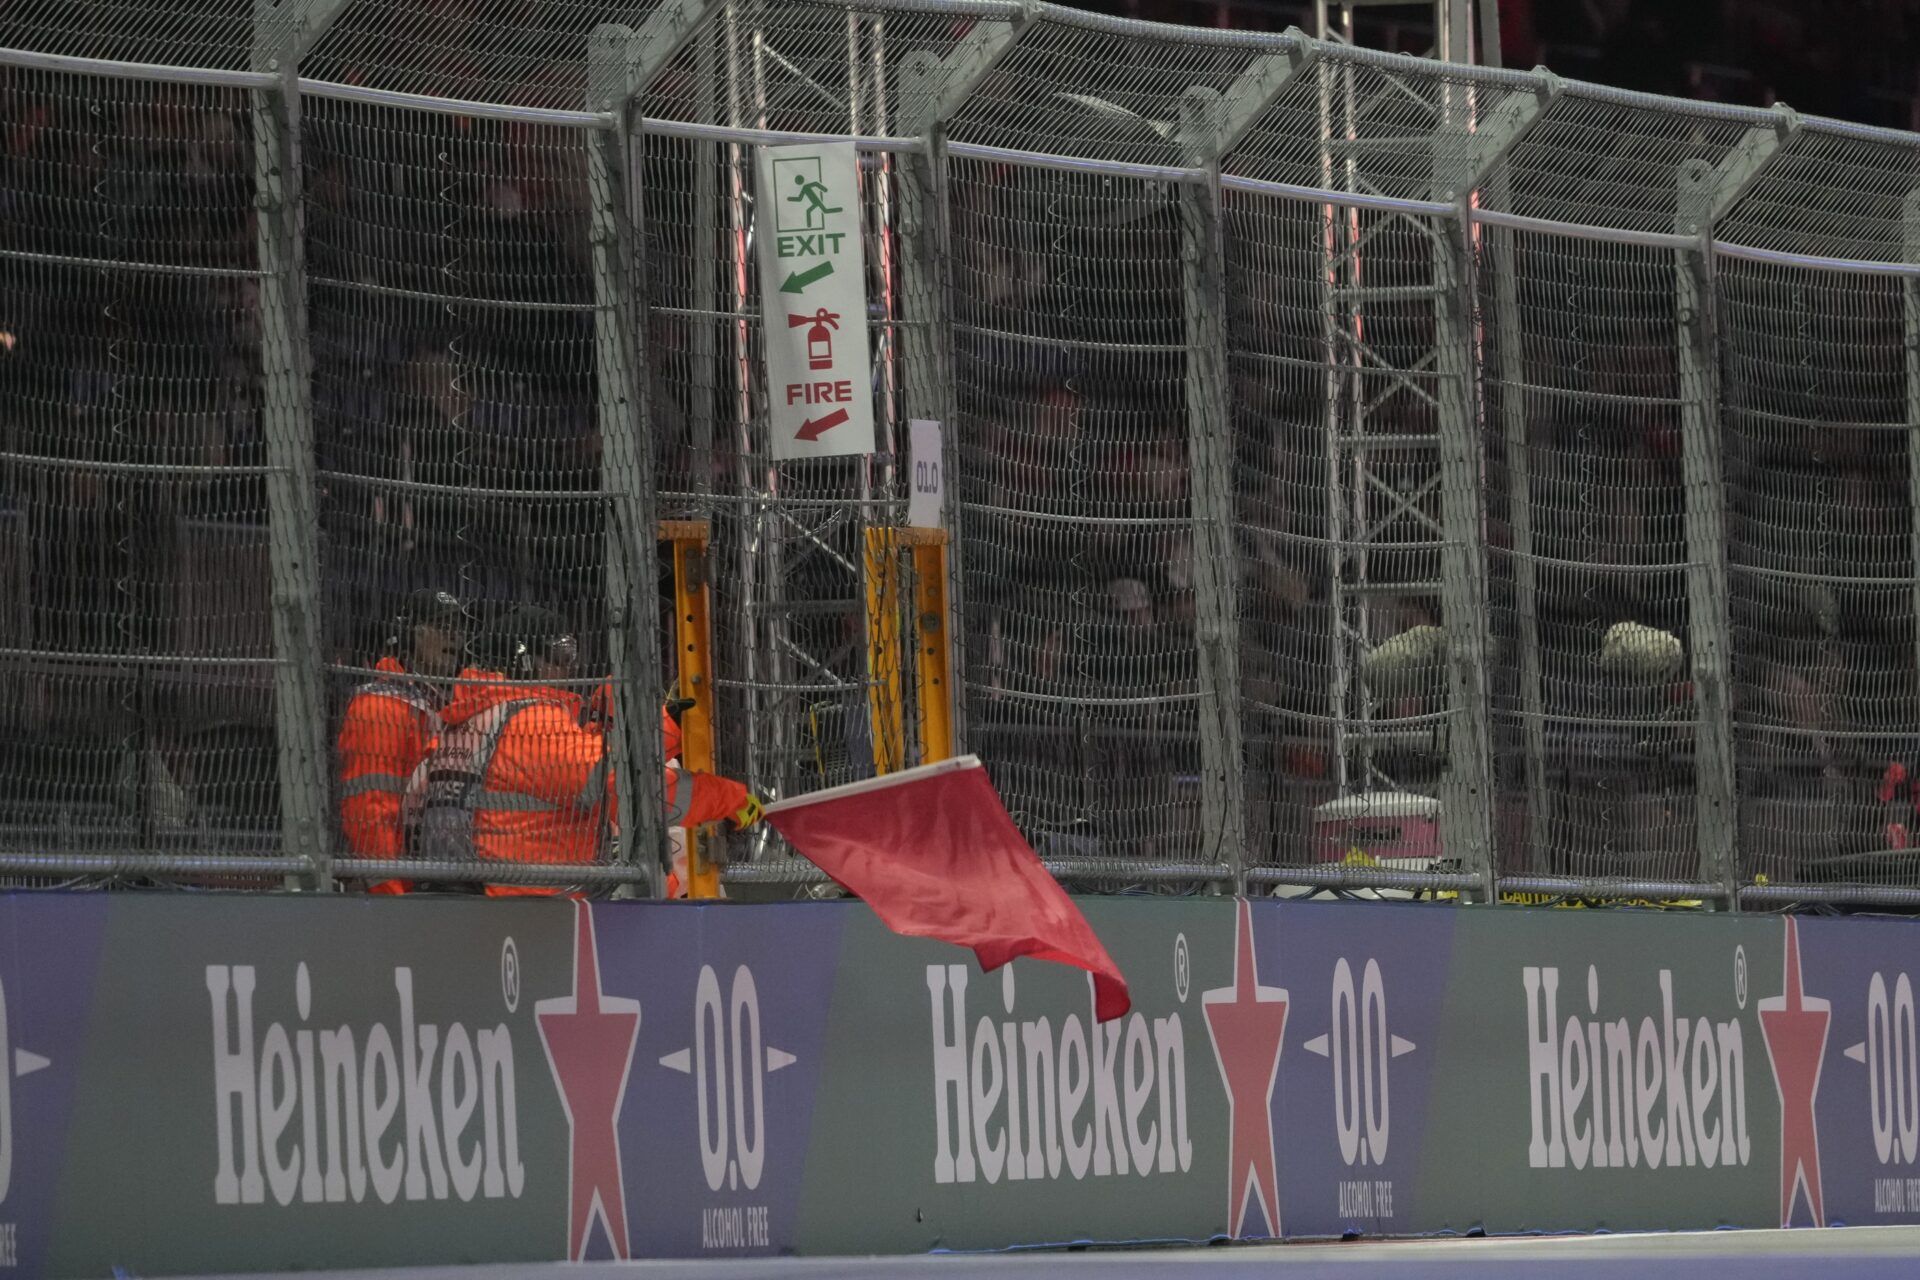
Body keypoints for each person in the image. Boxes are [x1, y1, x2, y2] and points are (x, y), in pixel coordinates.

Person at [408, 605, 759, 895]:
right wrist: (730, 799)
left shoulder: (472, 718)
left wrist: (666, 727)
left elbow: (584, 762)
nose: (570, 666)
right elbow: (631, 790)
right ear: (523, 660)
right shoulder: (531, 722)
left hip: (484, 898)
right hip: (536, 906)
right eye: (561, 653)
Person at [336, 589, 467, 894]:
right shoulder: (381, 705)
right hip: (394, 891)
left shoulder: (441, 703)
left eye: (458, 629)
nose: (454, 637)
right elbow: (368, 808)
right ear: (409, 635)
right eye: (442, 626)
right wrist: (389, 891)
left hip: (427, 884)